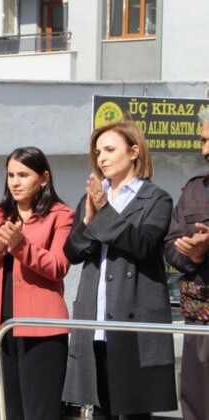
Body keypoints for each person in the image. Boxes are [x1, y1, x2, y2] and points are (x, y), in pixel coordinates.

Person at [62, 120, 177, 418]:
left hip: (134, 323)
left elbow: (142, 244)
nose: (102, 158)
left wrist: (103, 213)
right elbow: (72, 252)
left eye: (110, 149)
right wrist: (88, 220)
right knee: (100, 410)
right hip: (95, 321)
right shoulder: (92, 197)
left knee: (134, 411)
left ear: (134, 151)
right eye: (98, 152)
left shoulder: (157, 198)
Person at [0, 146, 73, 420]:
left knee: (39, 412)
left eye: (23, 175)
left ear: (44, 178)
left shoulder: (61, 215)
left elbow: (59, 266)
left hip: (42, 331)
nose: (15, 182)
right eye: (11, 175)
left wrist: (20, 246)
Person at [163, 107, 209, 420]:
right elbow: (170, 245)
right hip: (201, 320)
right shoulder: (194, 189)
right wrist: (195, 255)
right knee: (197, 404)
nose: (205, 150)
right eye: (203, 141)